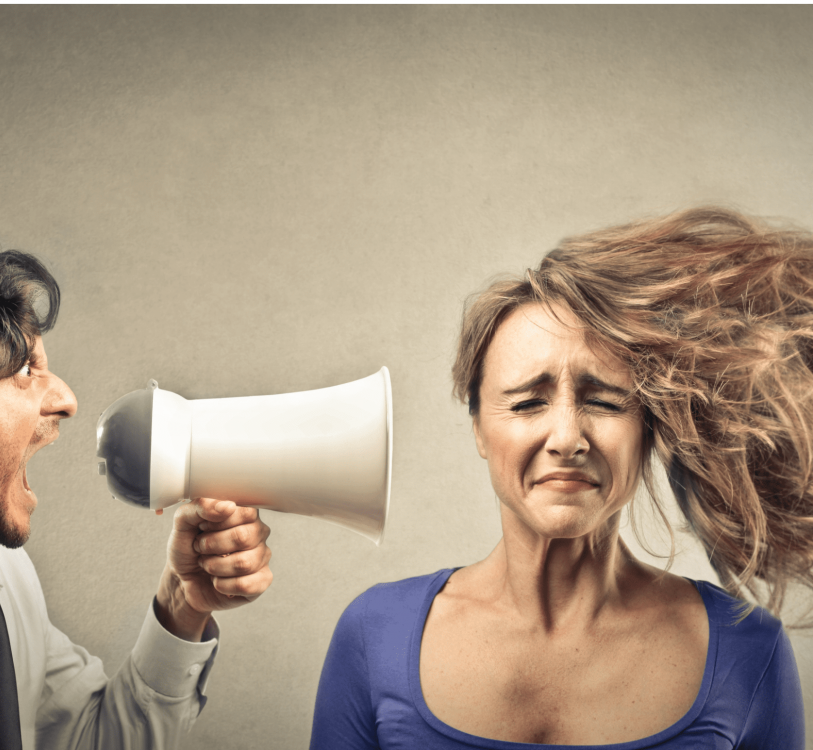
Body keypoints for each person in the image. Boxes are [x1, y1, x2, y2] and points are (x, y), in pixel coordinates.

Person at [311, 207, 809, 749]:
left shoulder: (748, 649)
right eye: (527, 403)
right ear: (479, 428)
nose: (567, 437)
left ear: (648, 428)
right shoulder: (374, 633)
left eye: (604, 401)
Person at [0, 226, 274, 749]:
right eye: (23, 368)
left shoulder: (2, 575)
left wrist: (182, 601)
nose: (66, 399)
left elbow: (91, 739)